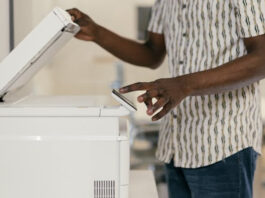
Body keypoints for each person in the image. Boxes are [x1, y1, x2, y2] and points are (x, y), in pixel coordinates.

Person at [67, 0, 265, 197]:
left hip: (224, 143)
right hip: (177, 142)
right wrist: (97, 33)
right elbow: (153, 52)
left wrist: (183, 85)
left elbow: (262, 58)